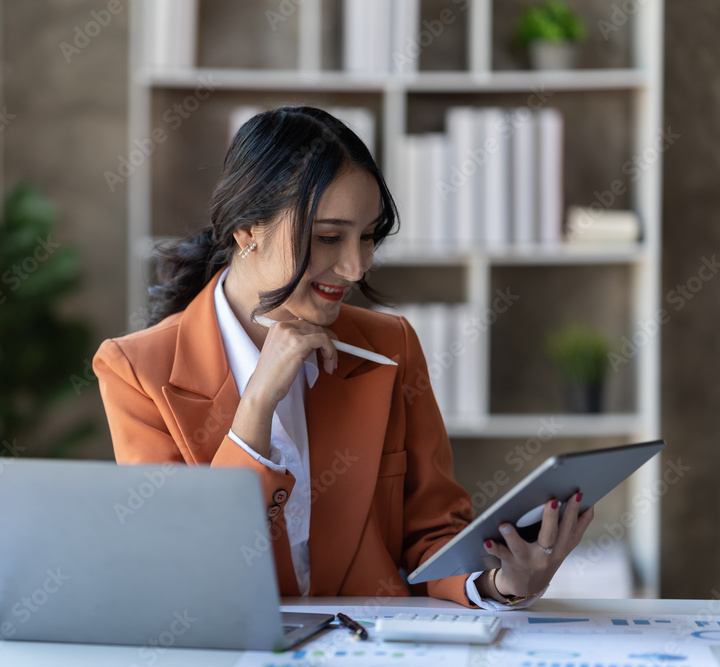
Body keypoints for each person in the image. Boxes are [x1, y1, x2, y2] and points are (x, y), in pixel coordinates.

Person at [93, 105, 594, 609]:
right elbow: (185, 569)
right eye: (329, 237)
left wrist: (501, 584)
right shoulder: (136, 371)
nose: (355, 267)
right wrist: (257, 406)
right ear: (247, 230)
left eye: (369, 236)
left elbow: (433, 535)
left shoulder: (390, 346)